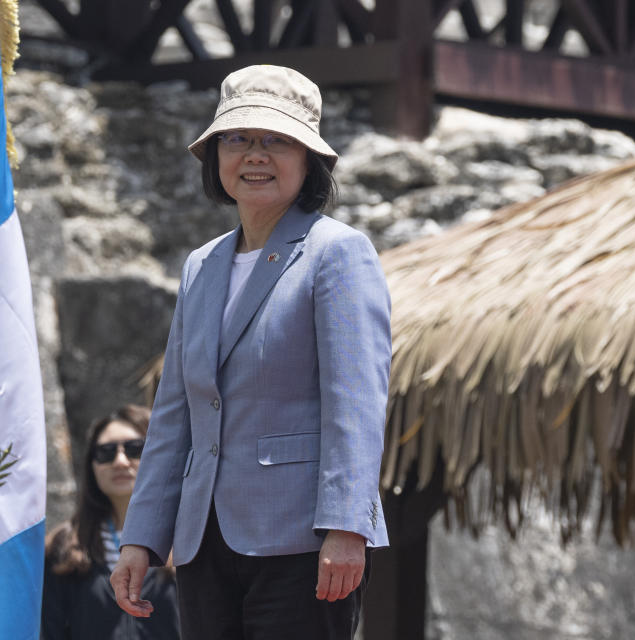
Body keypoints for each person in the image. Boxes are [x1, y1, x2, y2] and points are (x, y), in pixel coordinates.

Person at [110, 65, 392, 640]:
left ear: (309, 159)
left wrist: (347, 527)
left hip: (301, 541)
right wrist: (141, 537)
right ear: (216, 156)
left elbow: (356, 402)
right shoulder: (200, 266)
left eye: (277, 140)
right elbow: (173, 416)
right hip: (202, 542)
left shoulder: (336, 254)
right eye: (238, 139)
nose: (255, 155)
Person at [42, 404, 180, 640]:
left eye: (135, 449)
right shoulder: (62, 546)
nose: (120, 461)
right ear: (91, 466)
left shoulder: (191, 537)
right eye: (105, 452)